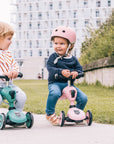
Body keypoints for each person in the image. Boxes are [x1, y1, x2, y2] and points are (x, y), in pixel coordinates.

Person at [45, 26, 87, 125]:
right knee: (54, 93)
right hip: (55, 83)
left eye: (62, 43)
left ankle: (76, 114)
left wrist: (76, 73)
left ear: (70, 46)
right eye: (56, 43)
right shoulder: (53, 57)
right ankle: (49, 113)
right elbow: (50, 68)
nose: (58, 46)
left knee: (83, 98)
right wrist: (60, 72)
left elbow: (80, 70)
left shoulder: (73, 59)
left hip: (69, 85)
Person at [0, 21, 26, 111]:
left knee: (21, 96)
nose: (11, 42)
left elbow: (14, 64)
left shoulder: (8, 54)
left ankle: (16, 114)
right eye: (8, 39)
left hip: (9, 84)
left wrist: (15, 71)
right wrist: (3, 73)